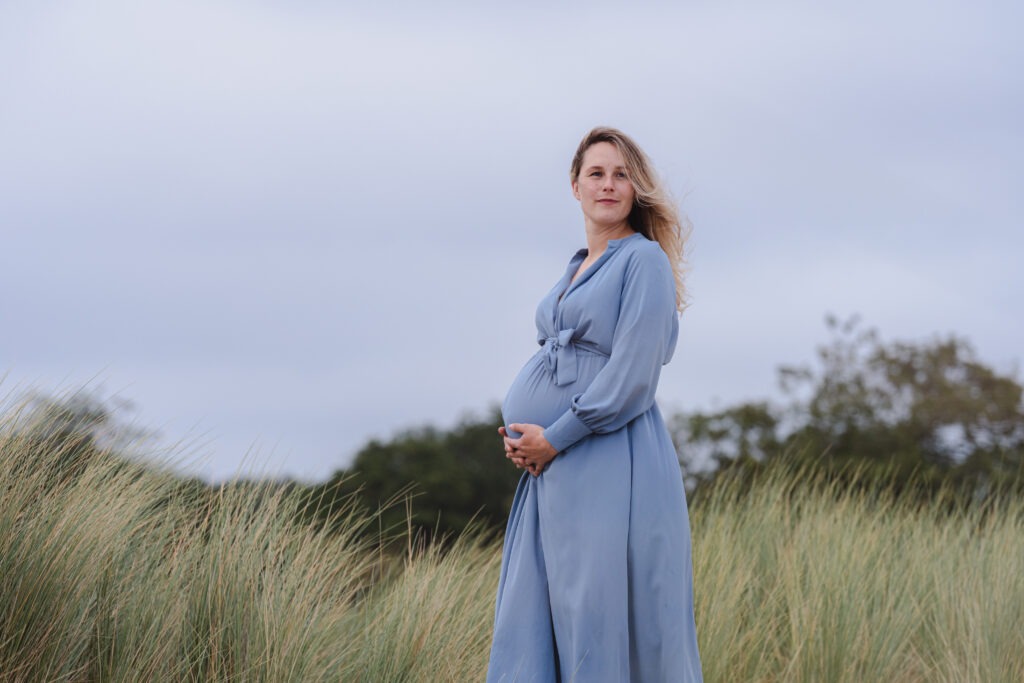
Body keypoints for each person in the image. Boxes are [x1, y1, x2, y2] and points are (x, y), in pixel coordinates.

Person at [486, 127, 703, 682]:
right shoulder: (575, 267)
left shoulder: (643, 262)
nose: (609, 184)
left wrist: (554, 435)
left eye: (621, 175)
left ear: (636, 190)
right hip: (552, 471)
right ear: (575, 186)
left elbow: (633, 376)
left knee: (598, 618)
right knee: (535, 618)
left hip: (610, 460)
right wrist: (527, 439)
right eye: (596, 173)